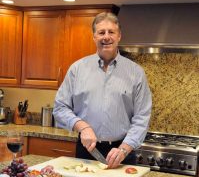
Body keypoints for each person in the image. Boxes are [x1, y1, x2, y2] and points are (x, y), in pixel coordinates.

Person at [53, 12, 152, 168]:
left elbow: (142, 118)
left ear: (119, 36)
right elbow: (60, 108)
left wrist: (124, 149)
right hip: (87, 151)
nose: (106, 37)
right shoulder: (77, 69)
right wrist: (82, 126)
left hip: (122, 153)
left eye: (111, 32)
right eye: (101, 32)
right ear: (94, 37)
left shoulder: (136, 73)